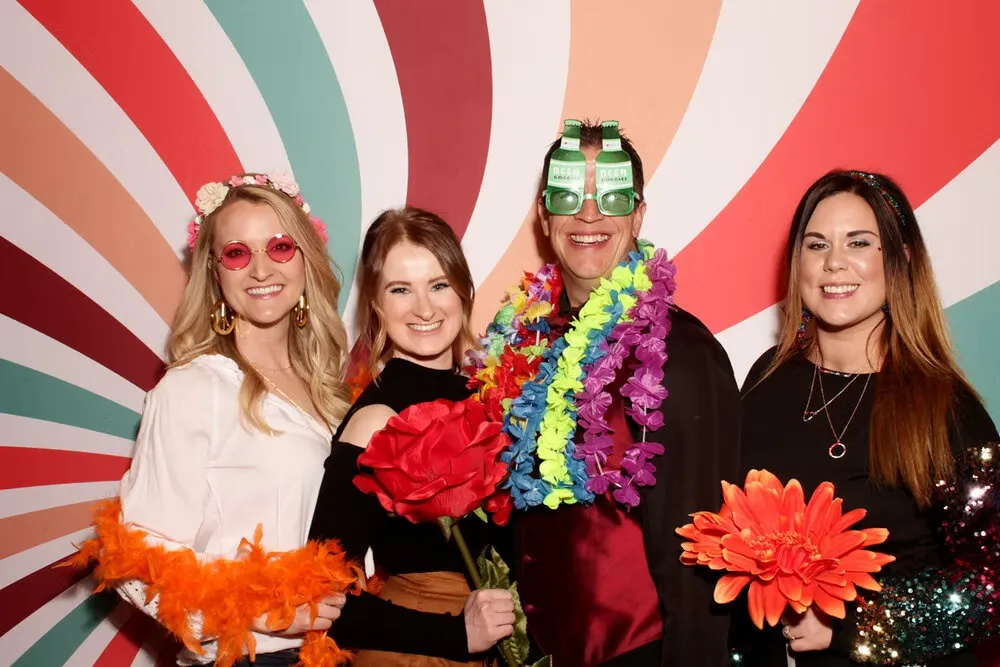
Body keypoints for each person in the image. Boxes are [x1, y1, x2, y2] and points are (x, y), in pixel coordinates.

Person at [463, 119, 742, 666]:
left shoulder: (682, 354)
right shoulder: (522, 341)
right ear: (545, 215)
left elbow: (703, 564)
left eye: (610, 196)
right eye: (569, 194)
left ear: (637, 213)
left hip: (641, 654)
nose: (588, 214)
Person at [73, 173, 355, 666]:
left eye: (280, 247)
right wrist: (263, 611)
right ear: (216, 270)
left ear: (305, 259)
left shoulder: (330, 390)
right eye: (237, 253)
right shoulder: (193, 388)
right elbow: (135, 561)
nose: (261, 269)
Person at [733, 170, 1000, 666]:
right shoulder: (767, 377)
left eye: (859, 242)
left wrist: (847, 624)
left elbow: (989, 585)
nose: (834, 263)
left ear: (901, 259)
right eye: (816, 246)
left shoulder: (945, 407)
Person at [308, 207, 516, 666]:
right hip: (417, 653)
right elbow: (324, 597)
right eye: (401, 290)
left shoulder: (489, 397)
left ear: (463, 290)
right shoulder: (375, 418)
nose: (424, 308)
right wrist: (456, 635)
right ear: (377, 306)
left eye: (438, 284)